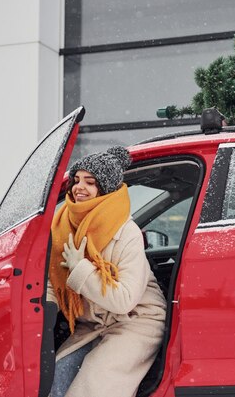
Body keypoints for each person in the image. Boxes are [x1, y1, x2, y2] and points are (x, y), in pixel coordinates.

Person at [47, 146, 166, 397]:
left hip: (136, 320)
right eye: (76, 180)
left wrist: (81, 269)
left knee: (93, 387)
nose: (79, 187)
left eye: (90, 182)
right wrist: (44, 307)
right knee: (55, 381)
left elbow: (123, 300)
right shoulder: (63, 223)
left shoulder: (126, 232)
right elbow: (55, 278)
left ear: (105, 189)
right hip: (93, 322)